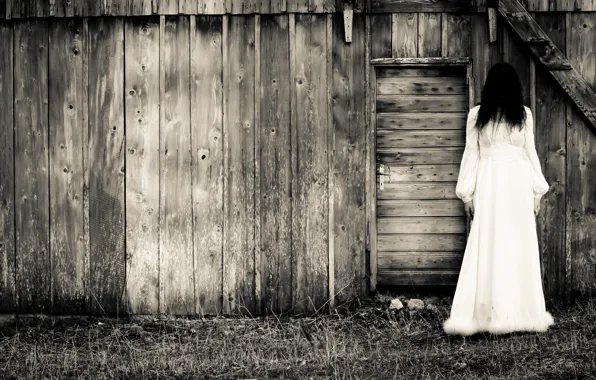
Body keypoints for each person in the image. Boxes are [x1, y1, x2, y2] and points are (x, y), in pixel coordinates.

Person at [443, 62, 554, 336]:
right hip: (490, 185)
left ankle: (520, 315)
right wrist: (466, 193)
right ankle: (486, 315)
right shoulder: (477, 116)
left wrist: (536, 191)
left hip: (517, 186)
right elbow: (472, 153)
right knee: (489, 242)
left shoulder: (524, 116)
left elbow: (530, 154)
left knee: (517, 244)